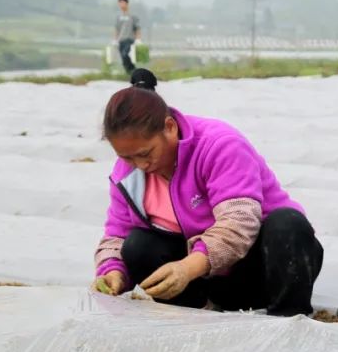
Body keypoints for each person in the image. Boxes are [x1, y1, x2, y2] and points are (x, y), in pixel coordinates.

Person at [91, 69, 324, 316]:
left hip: (263, 270)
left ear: (169, 127)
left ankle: (290, 319)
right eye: (127, 157)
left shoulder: (218, 145)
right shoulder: (126, 175)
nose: (140, 165)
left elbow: (239, 223)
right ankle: (198, 314)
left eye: (146, 153)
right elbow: (117, 234)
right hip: (210, 282)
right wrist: (112, 272)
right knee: (137, 245)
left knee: (287, 222)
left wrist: (187, 268)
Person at [114, 0, 141, 75]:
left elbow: (137, 28)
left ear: (127, 4)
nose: (121, 5)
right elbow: (116, 29)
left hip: (129, 39)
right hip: (120, 40)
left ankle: (133, 70)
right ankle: (129, 73)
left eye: (123, 3)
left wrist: (138, 39)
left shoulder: (132, 16)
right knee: (123, 58)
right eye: (120, 3)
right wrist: (115, 40)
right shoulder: (118, 16)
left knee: (125, 55)